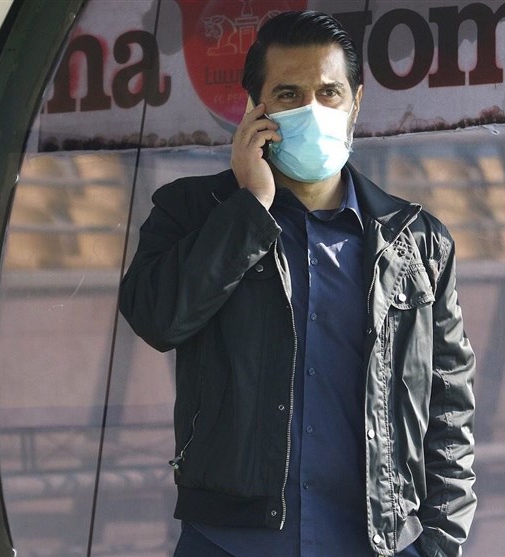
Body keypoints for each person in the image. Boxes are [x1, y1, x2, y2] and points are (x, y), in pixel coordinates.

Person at [119, 10, 476, 557]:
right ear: (254, 109)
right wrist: (250, 207)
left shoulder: (417, 241)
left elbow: (450, 410)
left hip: (376, 542)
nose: (313, 109)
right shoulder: (193, 211)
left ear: (356, 102)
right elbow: (157, 319)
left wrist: (438, 544)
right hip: (229, 541)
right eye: (289, 94)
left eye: (330, 92)